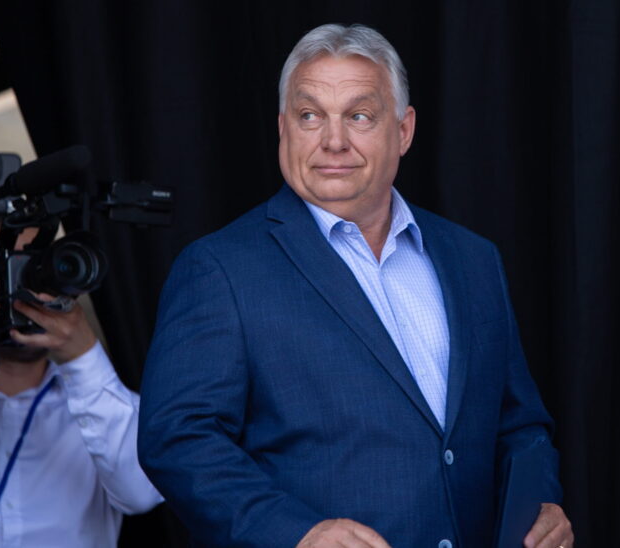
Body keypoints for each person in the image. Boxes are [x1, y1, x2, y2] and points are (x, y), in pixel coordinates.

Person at [138, 23, 574, 548]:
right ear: (283, 128)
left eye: (359, 116)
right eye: (310, 116)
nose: (333, 141)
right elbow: (178, 439)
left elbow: (519, 422)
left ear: (404, 130)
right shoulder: (219, 269)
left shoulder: (474, 259)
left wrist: (541, 501)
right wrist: (295, 533)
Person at [0, 213, 163, 547]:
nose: (25, 287)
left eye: (36, 266)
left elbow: (141, 493)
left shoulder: (108, 403)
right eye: (8, 266)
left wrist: (82, 355)